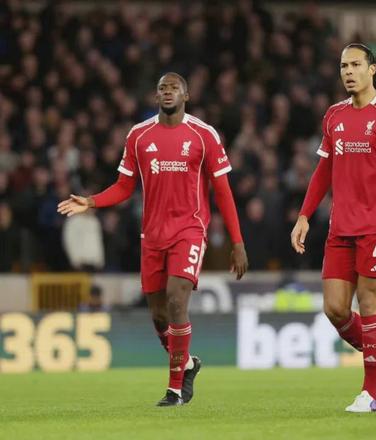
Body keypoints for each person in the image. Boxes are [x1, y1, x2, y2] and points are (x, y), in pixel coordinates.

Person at [58, 72, 248, 406]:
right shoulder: (139, 136)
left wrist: (237, 242)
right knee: (160, 317)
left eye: (174, 88)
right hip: (152, 235)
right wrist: (91, 201)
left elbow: (223, 191)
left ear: (186, 96)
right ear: (156, 96)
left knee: (176, 299)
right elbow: (124, 186)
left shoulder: (204, 135)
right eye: (162, 88)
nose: (168, 92)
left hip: (189, 230)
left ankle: (175, 390)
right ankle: (187, 364)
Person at [290, 43, 376, 413]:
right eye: (344, 66)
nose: (348, 71)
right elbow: (323, 170)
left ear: (372, 69)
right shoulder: (334, 115)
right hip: (340, 227)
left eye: (356, 64)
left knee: (370, 304)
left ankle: (370, 392)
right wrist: (304, 215)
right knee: (335, 309)